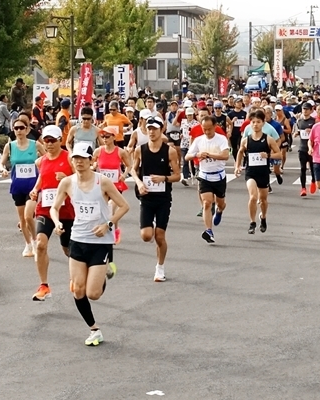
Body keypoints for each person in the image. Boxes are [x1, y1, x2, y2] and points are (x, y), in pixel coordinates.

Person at [51, 142, 130, 346]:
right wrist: (57, 222)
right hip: (77, 239)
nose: (78, 162)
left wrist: (108, 224)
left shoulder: (102, 182)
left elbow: (124, 206)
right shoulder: (67, 183)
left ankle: (103, 272)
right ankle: (94, 330)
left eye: (82, 158)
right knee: (78, 290)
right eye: (75, 158)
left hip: (100, 242)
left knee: (92, 294)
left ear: (91, 160)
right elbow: (54, 207)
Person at [132, 116, 181, 282]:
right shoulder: (141, 149)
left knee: (160, 236)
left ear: (161, 130)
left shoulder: (170, 151)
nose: (151, 132)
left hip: (163, 198)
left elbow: (177, 175)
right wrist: (139, 183)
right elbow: (133, 170)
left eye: (154, 128)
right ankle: (150, 226)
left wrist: (164, 178)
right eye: (149, 128)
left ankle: (160, 268)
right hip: (146, 197)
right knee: (146, 236)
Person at [29, 125, 74, 301]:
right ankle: (44, 285)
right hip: (46, 209)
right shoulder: (41, 161)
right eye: (45, 140)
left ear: (59, 141)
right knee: (40, 244)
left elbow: (82, 178)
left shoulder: (69, 158)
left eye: (52, 140)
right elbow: (42, 178)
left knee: (68, 249)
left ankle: (76, 274)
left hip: (67, 211)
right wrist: (35, 190)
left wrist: (67, 179)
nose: (48, 144)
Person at [0, 117, 45, 257]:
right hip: (17, 186)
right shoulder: (10, 146)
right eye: (16, 128)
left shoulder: (35, 145)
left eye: (21, 128)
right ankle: (28, 244)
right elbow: (2, 162)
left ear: (27, 130)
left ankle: (36, 241)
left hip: (33, 186)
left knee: (28, 216)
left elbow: (47, 159)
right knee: (22, 219)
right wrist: (3, 169)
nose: (19, 131)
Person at [235, 110, 283, 234]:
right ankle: (252, 222)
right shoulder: (246, 140)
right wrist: (237, 166)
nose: (255, 124)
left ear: (263, 123)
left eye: (258, 122)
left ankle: (263, 217)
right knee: (252, 197)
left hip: (263, 172)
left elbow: (279, 155)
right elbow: (240, 152)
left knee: (263, 200)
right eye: (253, 122)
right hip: (251, 172)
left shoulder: (268, 139)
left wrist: (268, 155)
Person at [186, 116, 230, 243]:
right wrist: (197, 154)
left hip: (219, 176)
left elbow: (226, 155)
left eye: (209, 129)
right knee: (206, 203)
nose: (206, 131)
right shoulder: (199, 140)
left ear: (215, 126)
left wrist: (209, 155)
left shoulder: (221, 139)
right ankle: (208, 231)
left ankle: (219, 211)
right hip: (204, 176)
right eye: (204, 129)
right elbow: (188, 156)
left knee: (221, 203)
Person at [92, 125, 131, 244]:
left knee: (111, 209)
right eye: (103, 136)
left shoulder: (120, 152)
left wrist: (124, 175)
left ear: (114, 137)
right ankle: (110, 229)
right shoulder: (98, 151)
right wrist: (93, 167)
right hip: (102, 186)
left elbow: (129, 165)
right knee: (103, 209)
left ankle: (114, 231)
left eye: (107, 136)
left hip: (116, 186)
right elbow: (92, 164)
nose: (105, 139)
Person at [296, 101, 318, 197]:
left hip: (312, 148)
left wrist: (311, 131)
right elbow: (297, 131)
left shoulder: (314, 121)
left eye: (307, 109)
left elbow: (318, 134)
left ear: (311, 110)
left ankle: (313, 181)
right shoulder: (299, 121)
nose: (305, 111)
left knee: (313, 168)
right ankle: (303, 188)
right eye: (303, 109)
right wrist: (296, 133)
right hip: (302, 148)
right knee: (302, 168)